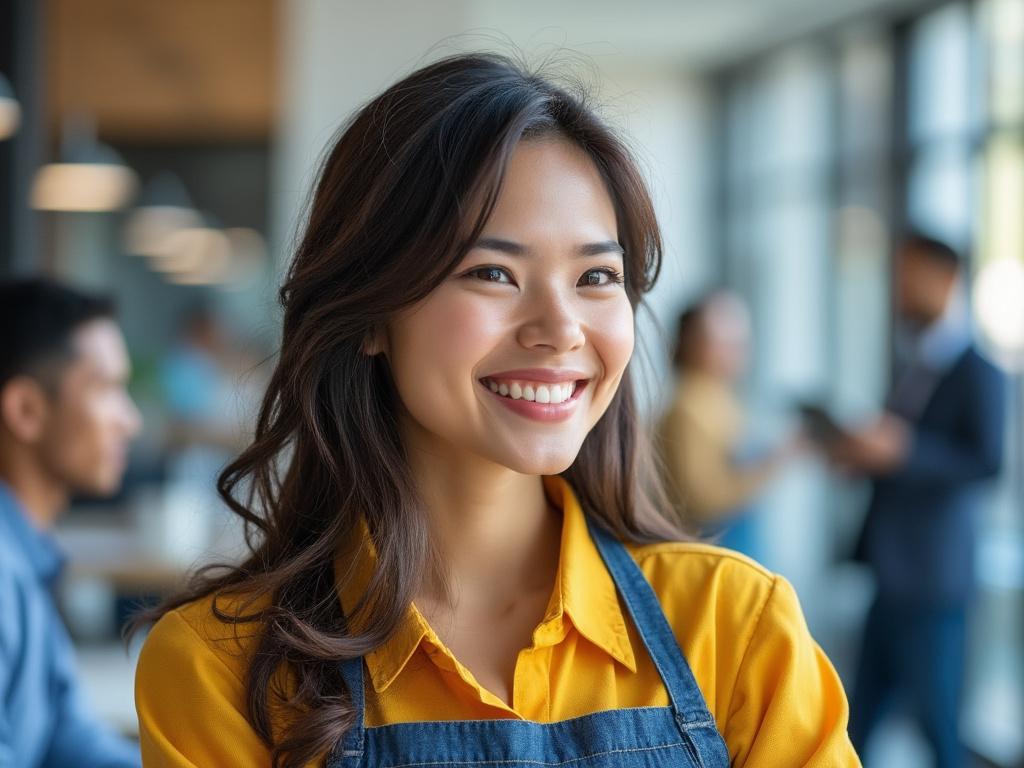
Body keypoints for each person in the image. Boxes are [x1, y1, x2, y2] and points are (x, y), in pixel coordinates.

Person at [134, 53, 859, 768]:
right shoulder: (219, 670)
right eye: (492, 272)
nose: (562, 328)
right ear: (371, 314)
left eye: (596, 277)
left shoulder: (734, 624)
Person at [827, 234, 1006, 767]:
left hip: (934, 577)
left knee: (937, 725)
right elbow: (896, 455)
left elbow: (987, 464)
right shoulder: (912, 364)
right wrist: (861, 455)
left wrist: (905, 451)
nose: (899, 288)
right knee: (857, 718)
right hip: (891, 570)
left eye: (909, 275)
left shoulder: (980, 371)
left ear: (945, 279)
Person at [0, 277, 143, 768]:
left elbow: (66, 732)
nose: (130, 420)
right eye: (106, 389)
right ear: (25, 410)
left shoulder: (25, 549)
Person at [657, 290, 800, 557]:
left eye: (739, 341)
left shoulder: (720, 398)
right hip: (710, 551)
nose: (735, 350)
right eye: (722, 341)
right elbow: (704, 500)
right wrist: (773, 462)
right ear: (690, 342)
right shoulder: (687, 409)